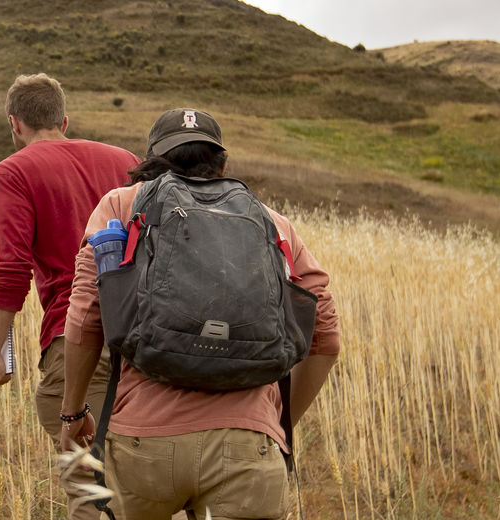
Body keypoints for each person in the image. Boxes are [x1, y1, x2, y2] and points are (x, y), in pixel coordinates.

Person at [56, 109, 341, 519]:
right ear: (223, 164)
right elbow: (326, 336)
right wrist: (275, 422)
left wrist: (72, 414)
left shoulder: (123, 206)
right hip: (248, 447)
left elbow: (86, 315)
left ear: (149, 163)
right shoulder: (271, 223)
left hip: (143, 446)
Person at [0, 73, 137, 520]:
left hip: (78, 337)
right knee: (141, 482)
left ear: (14, 124)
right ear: (64, 120)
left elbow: (11, 267)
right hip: (145, 335)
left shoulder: (14, 171)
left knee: (92, 491)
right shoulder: (125, 160)